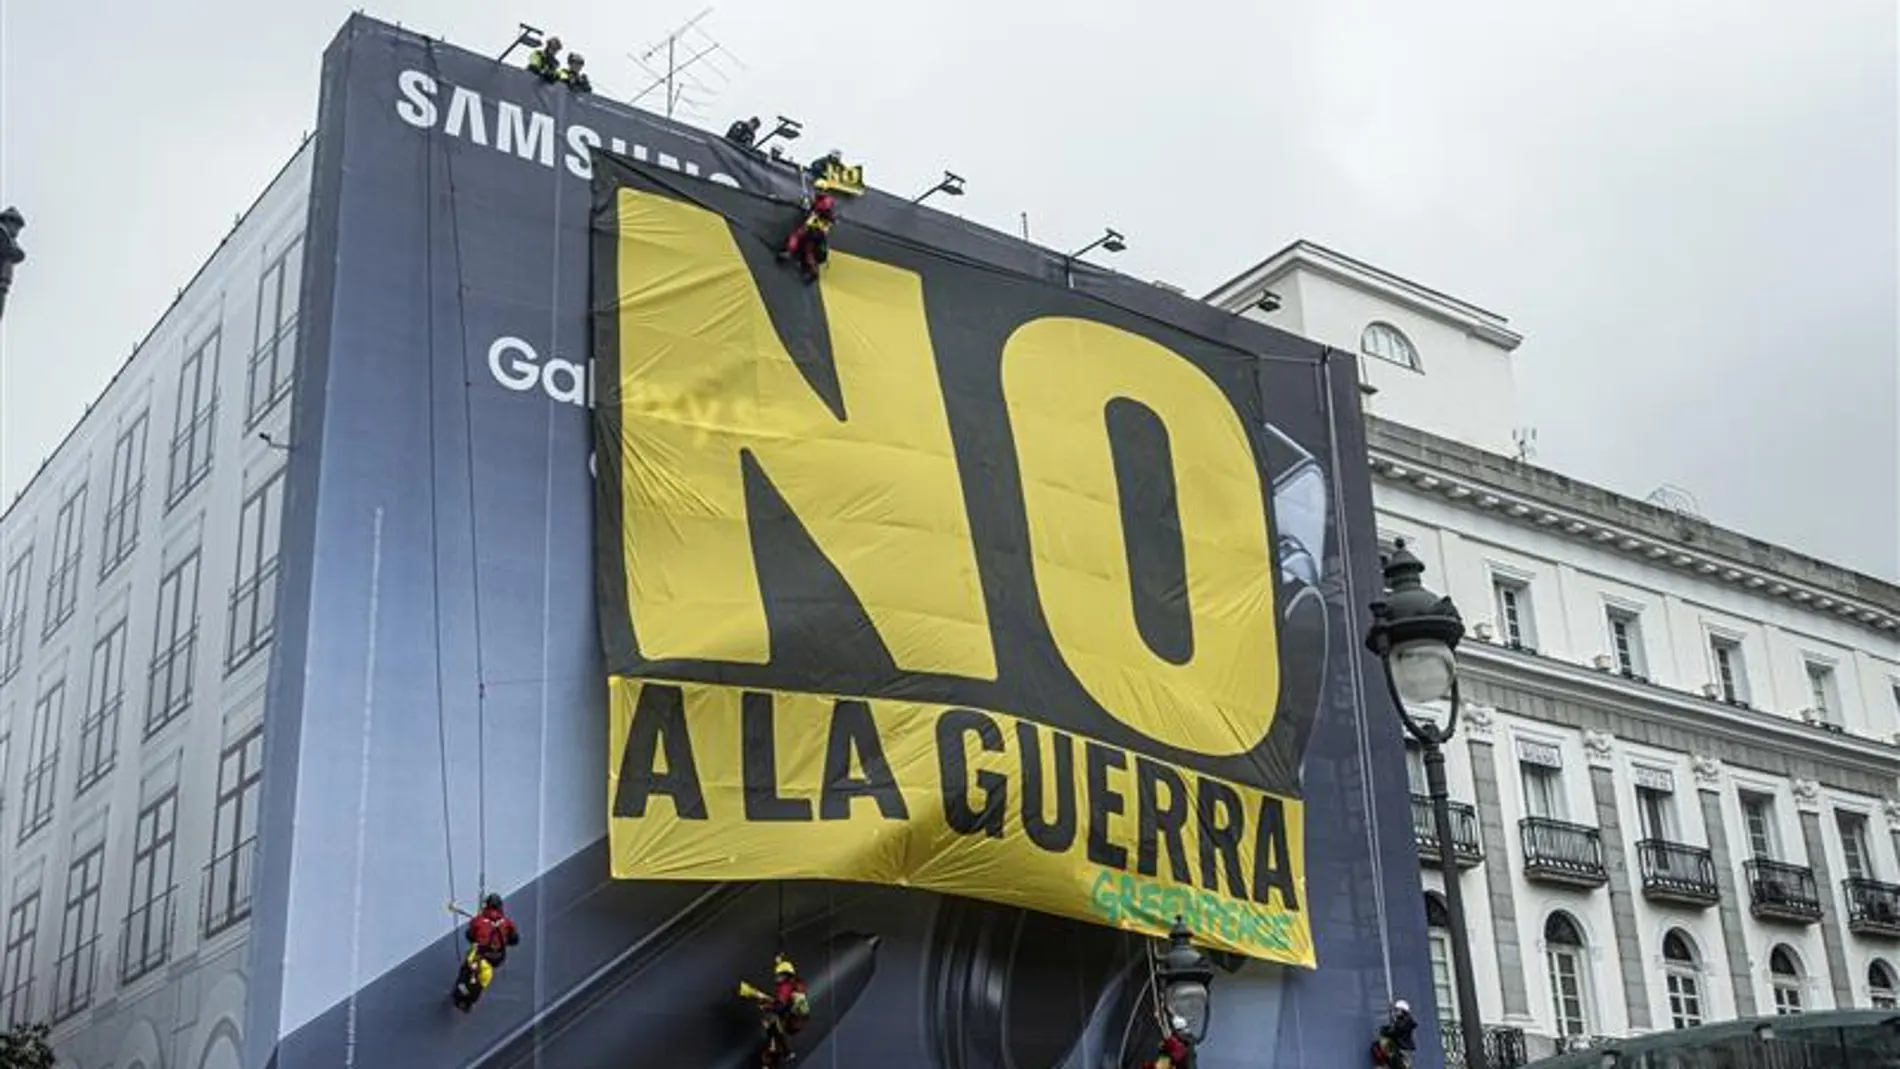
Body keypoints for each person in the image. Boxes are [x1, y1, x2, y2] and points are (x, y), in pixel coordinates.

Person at [451, 893, 521, 1013]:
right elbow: (515, 940)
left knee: (466, 968)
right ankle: (469, 1001)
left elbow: (470, 936)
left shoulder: (477, 921)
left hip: (479, 956)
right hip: (497, 958)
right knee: (482, 981)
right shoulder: (508, 923)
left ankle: (459, 992)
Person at [737, 954, 810, 1066]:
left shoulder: (785, 988)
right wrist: (780, 962)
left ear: (786, 976)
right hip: (800, 1017)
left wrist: (766, 1006)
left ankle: (778, 1054)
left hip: (793, 1021)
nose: (776, 977)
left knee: (771, 1024)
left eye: (779, 975)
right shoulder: (796, 983)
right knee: (773, 1020)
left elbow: (779, 1007)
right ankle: (786, 1052)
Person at [777, 193, 837, 284]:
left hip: (815, 232)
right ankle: (812, 270)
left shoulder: (824, 211)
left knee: (798, 238)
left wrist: (811, 216)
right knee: (808, 251)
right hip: (817, 233)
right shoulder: (826, 211)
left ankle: (789, 252)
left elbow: (814, 219)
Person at [1369, 999, 1417, 1068]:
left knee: (1384, 1044)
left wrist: (1387, 1030)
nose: (1396, 1012)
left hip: (1402, 1052)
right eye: (1395, 1010)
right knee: (1376, 1046)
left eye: (1397, 1010)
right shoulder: (1401, 1021)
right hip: (1398, 1052)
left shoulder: (1406, 1022)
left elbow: (1396, 1031)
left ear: (1403, 1011)